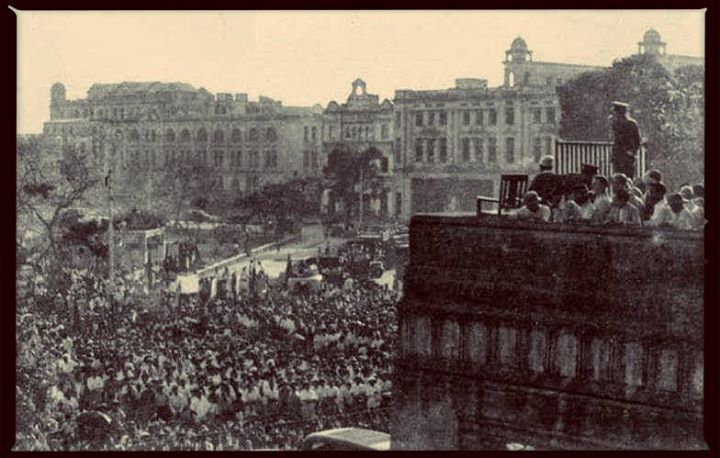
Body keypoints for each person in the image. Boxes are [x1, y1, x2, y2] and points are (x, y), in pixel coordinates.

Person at [610, 101, 641, 178]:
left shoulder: (631, 124)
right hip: (618, 155)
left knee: (628, 176)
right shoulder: (615, 123)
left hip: (627, 155)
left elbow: (637, 140)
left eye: (616, 112)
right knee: (616, 176)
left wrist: (633, 151)